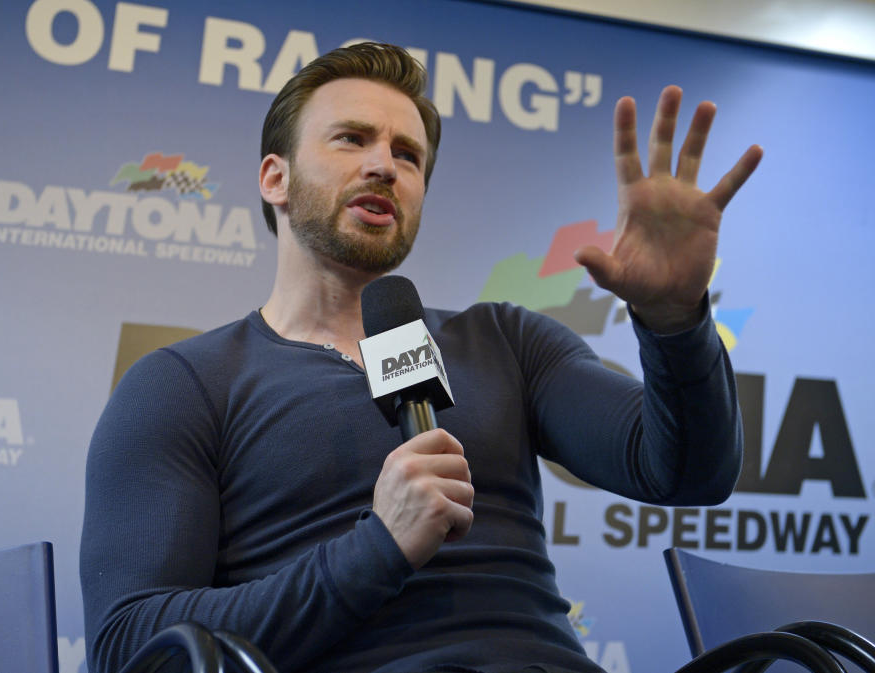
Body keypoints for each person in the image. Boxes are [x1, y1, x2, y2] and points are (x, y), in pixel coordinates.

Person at [80, 42, 761, 673]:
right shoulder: (183, 385)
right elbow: (131, 647)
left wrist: (675, 322)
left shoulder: (506, 339)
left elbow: (689, 472)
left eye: (408, 155)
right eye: (351, 139)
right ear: (274, 177)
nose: (384, 165)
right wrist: (377, 547)